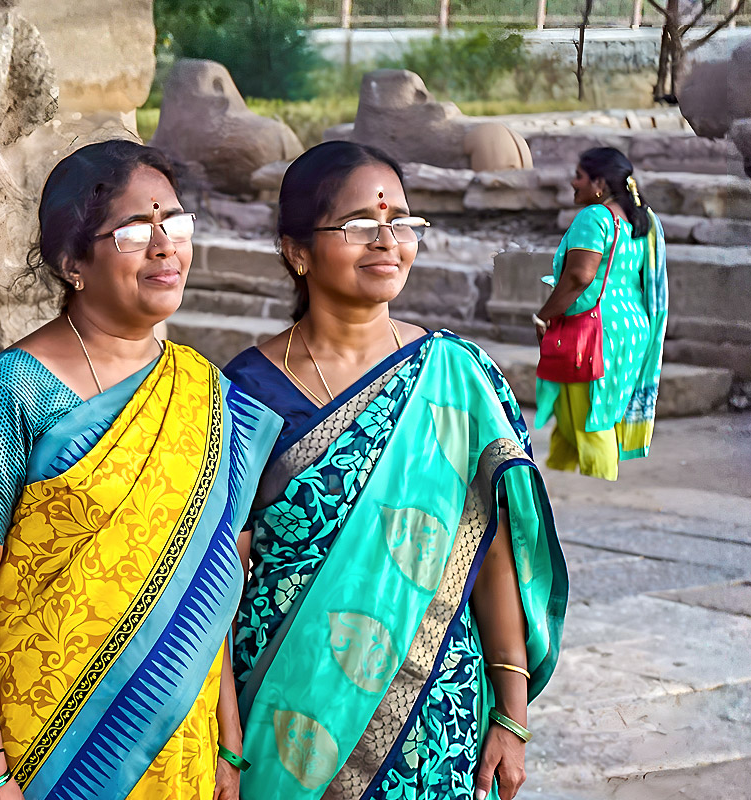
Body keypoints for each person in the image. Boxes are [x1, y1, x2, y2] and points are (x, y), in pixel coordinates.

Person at [0, 140, 279, 800]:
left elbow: (213, 589)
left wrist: (226, 746)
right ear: (73, 263)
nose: (165, 248)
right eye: (134, 230)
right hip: (37, 754)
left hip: (179, 748)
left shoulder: (206, 396)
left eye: (175, 224)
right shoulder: (11, 393)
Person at [222, 140, 565, 800]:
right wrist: (227, 746)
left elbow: (490, 557)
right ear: (297, 251)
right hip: (285, 718)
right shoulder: (244, 392)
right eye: (358, 226)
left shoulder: (457, 376)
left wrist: (511, 717)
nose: (387, 241)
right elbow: (218, 586)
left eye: (402, 223)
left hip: (434, 721)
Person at [533, 146, 669, 480]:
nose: (572, 182)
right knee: (578, 414)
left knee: (592, 421)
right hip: (632, 328)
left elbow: (580, 275)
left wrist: (545, 315)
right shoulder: (643, 219)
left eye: (578, 176)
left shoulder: (594, 218)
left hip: (593, 334)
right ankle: (567, 484)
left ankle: (599, 489)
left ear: (599, 182)